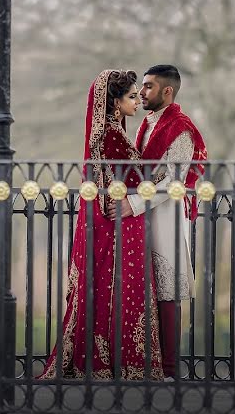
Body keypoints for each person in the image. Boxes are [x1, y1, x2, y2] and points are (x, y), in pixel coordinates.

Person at [40, 70, 164, 380]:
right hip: (120, 223)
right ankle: (118, 363)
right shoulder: (110, 135)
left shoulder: (112, 133)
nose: (138, 101)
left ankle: (117, 361)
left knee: (115, 291)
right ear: (114, 103)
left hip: (123, 222)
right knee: (118, 291)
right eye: (132, 97)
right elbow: (137, 180)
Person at [107, 64, 207, 381]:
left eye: (148, 87)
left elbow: (173, 182)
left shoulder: (181, 128)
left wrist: (132, 204)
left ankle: (169, 371)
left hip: (164, 216)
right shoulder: (147, 123)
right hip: (138, 217)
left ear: (167, 91)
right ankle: (140, 364)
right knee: (142, 289)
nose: (142, 92)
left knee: (167, 289)